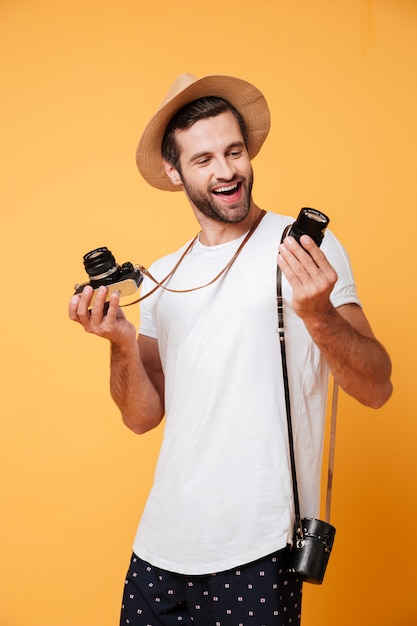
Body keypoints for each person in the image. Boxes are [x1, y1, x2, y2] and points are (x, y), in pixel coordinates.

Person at [69, 73, 393, 626]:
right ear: (175, 172)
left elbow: (377, 385)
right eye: (204, 159)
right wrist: (121, 343)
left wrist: (317, 312)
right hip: (159, 547)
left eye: (234, 151)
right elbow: (142, 418)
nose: (226, 171)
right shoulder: (164, 276)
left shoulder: (302, 247)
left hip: (259, 546)